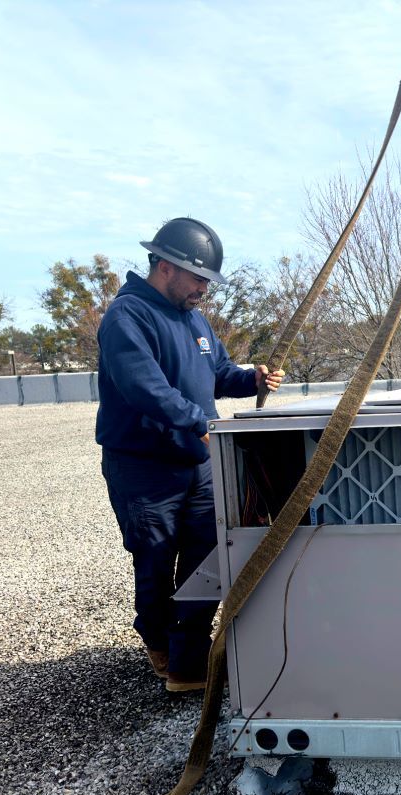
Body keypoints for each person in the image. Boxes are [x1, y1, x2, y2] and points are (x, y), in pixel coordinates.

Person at [96, 217, 283, 692]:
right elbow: (146, 389)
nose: (204, 289)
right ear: (165, 267)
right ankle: (161, 644)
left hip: (198, 464)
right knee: (156, 560)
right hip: (144, 467)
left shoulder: (193, 318)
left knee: (209, 555)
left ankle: (189, 658)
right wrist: (202, 424)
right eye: (199, 277)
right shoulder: (127, 317)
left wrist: (252, 380)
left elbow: (217, 373)